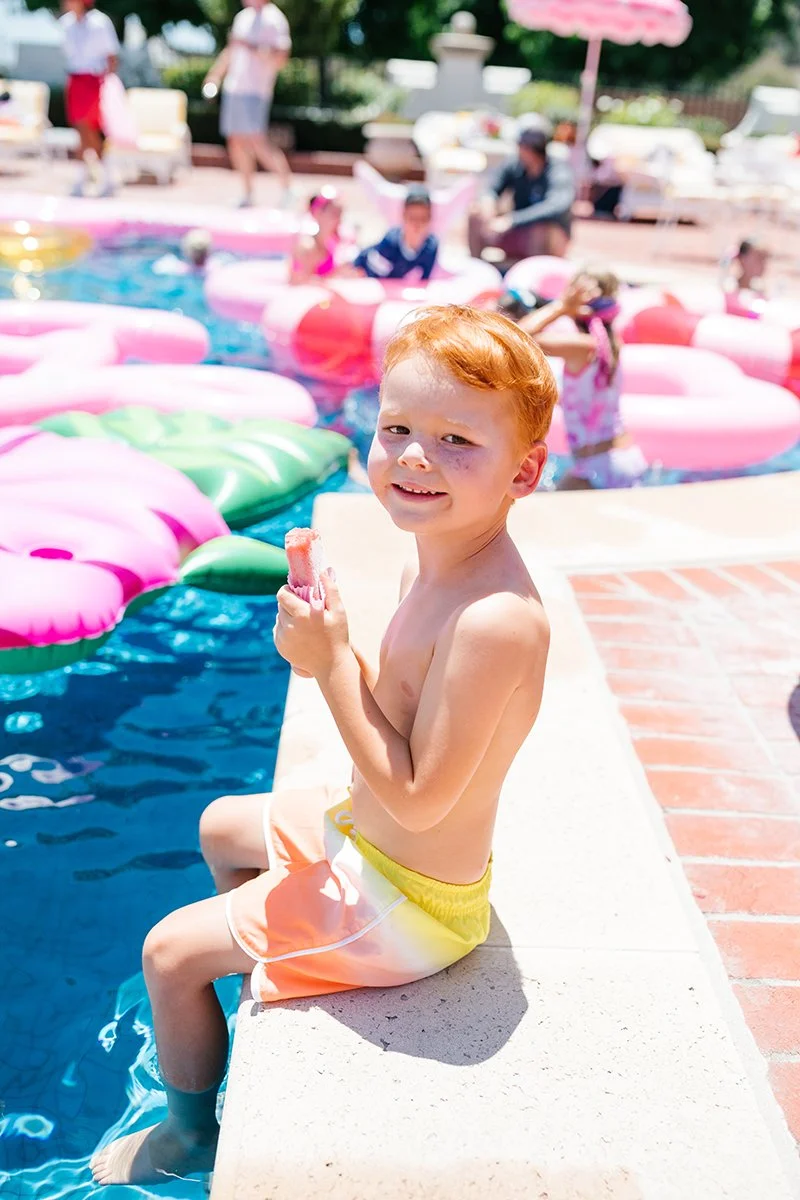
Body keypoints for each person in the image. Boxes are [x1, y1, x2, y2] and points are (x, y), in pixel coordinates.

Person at [89, 304, 555, 1187]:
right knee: (221, 821)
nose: (417, 456)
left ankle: (190, 1135)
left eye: (459, 441)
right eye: (399, 428)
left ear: (524, 472)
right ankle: (267, 945)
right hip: (371, 837)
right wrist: (329, 638)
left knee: (168, 952)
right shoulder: (439, 553)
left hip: (408, 901)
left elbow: (420, 797)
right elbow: (400, 714)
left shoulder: (496, 619)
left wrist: (329, 662)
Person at [519, 269, 647, 490]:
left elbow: (518, 337)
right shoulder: (609, 344)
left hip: (598, 464)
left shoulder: (584, 347)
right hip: (622, 457)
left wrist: (560, 307)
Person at [203, 0, 293, 209]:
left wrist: (252, 47)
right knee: (235, 140)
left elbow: (281, 57)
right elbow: (231, 50)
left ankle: (288, 189)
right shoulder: (242, 17)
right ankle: (247, 193)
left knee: (256, 141)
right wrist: (214, 75)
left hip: (256, 91)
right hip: (234, 88)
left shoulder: (275, 19)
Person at [468, 121, 575, 269]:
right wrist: (488, 203)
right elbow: (491, 187)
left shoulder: (558, 170)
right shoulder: (515, 165)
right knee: (477, 213)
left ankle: (535, 274)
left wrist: (513, 220)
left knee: (539, 229)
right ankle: (477, 267)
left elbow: (557, 205)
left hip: (548, 237)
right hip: (518, 230)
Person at [58, 0, 119, 197]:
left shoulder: (100, 22)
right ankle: (102, 176)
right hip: (75, 79)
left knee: (87, 128)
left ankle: (86, 178)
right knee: (81, 128)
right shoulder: (66, 23)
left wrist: (108, 86)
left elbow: (111, 57)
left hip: (94, 81)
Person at [353, 186, 439, 282]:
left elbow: (424, 281)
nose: (417, 224)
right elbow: (375, 278)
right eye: (412, 218)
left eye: (423, 218)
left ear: (430, 218)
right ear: (404, 216)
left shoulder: (431, 246)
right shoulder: (390, 243)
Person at [288, 186, 347, 284]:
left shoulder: (332, 242)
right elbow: (297, 282)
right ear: (318, 214)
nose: (338, 219)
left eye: (340, 213)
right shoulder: (307, 247)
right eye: (334, 213)